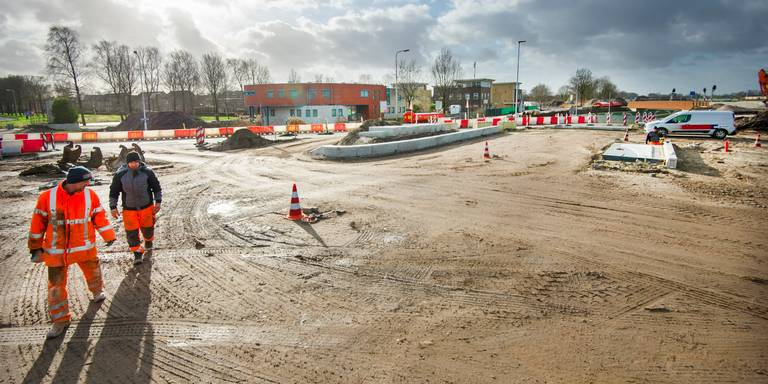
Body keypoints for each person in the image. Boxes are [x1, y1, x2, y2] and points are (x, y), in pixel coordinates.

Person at [28, 166, 116, 339]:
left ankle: (97, 292)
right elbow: (37, 222)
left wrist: (108, 235)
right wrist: (34, 246)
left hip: (84, 246)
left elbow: (99, 216)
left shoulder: (90, 195)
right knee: (55, 287)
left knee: (93, 271)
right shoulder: (47, 197)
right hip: (56, 251)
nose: (88, 184)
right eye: (85, 181)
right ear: (74, 182)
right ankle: (60, 320)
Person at [109, 151, 162, 265]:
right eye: (132, 162)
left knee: (148, 229)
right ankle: (137, 253)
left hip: (146, 207)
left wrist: (158, 202)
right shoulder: (120, 174)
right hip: (129, 209)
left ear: (139, 161)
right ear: (128, 163)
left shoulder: (147, 172)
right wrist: (113, 207)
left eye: (136, 162)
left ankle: (148, 240)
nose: (134, 164)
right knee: (131, 233)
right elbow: (114, 192)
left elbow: (156, 188)